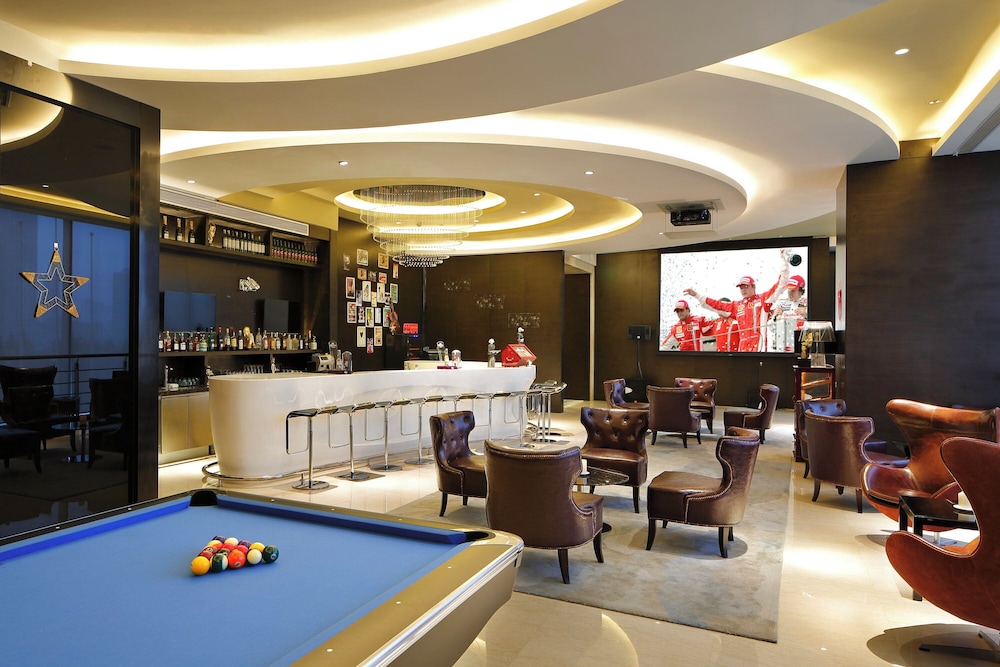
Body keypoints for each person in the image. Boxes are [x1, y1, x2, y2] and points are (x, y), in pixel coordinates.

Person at [684, 252, 790, 352]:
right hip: (742, 347)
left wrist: (784, 263)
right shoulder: (737, 305)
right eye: (741, 287)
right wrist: (697, 295)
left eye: (746, 286)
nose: (743, 290)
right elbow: (717, 305)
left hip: (759, 346)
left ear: (753, 286)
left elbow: (780, 285)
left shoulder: (763, 299)